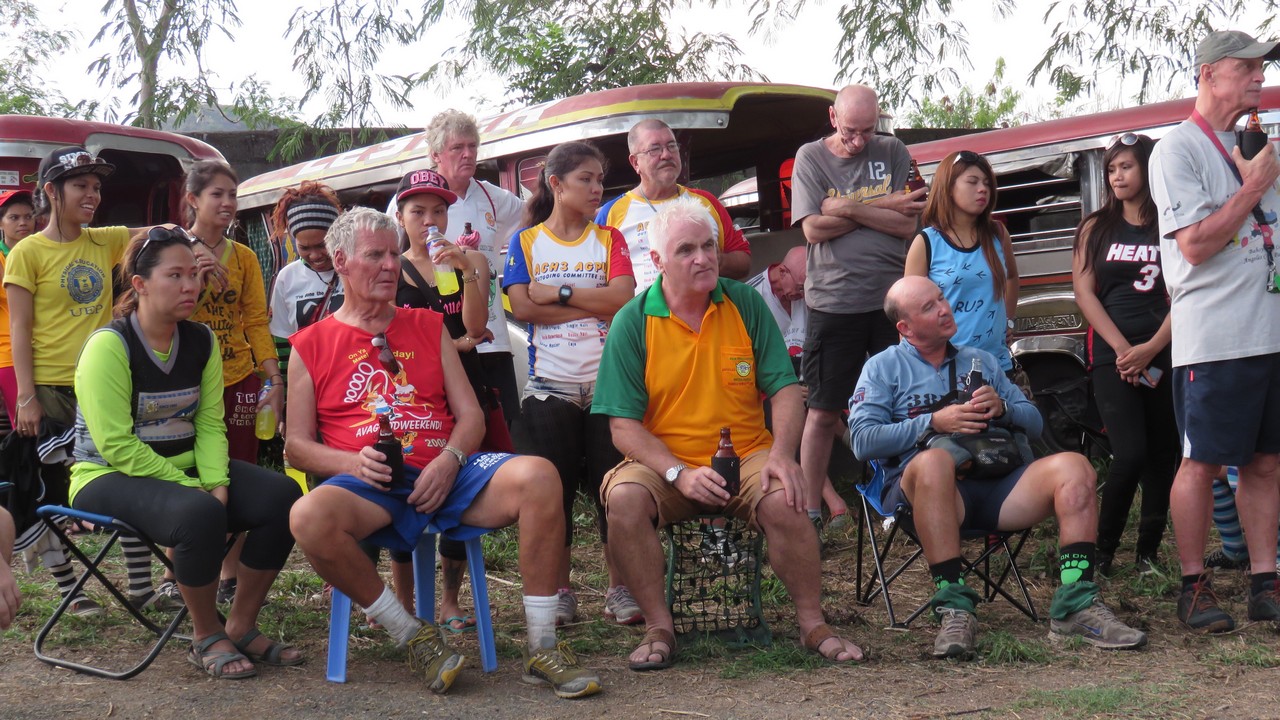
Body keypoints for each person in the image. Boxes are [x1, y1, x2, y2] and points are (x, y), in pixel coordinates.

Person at [287, 208, 601, 698]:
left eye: (393, 254)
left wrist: (451, 458)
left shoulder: (428, 325)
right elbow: (296, 446)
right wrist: (352, 463)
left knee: (540, 476)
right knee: (307, 516)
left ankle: (542, 647)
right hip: (371, 483)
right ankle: (413, 636)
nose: (390, 265)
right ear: (341, 261)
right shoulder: (309, 344)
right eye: (375, 255)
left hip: (450, 469)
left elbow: (471, 415)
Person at [593, 195, 864, 670]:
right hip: (665, 464)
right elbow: (623, 427)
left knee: (786, 495)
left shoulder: (745, 303)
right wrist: (678, 473)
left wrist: (782, 455)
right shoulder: (632, 322)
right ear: (657, 260)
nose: (703, 258)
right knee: (624, 500)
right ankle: (659, 627)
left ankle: (812, 624)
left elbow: (785, 389)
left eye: (708, 246)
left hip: (747, 455)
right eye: (686, 250)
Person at [849, 276, 1148, 659]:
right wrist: (932, 423)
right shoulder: (882, 368)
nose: (944, 309)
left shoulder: (981, 360)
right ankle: (955, 608)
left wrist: (1003, 409)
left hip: (997, 485)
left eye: (941, 298)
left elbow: (1034, 422)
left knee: (1075, 467)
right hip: (929, 495)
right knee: (935, 461)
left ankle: (1076, 605)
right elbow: (863, 441)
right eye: (929, 307)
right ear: (905, 328)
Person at [70, 228, 302, 678]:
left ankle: (241, 624)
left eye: (194, 275)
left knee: (283, 497)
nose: (190, 286)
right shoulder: (109, 346)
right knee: (199, 513)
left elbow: (209, 423)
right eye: (174, 275)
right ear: (140, 284)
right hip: (105, 475)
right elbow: (116, 445)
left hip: (186, 468)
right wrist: (193, 488)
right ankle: (206, 634)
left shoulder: (201, 340)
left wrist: (216, 482)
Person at [4, 147, 177, 615]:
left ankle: (140, 587)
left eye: (97, 187)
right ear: (50, 191)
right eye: (80, 185)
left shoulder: (107, 240)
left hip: (105, 385)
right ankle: (70, 589)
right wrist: (26, 397)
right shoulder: (27, 252)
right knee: (51, 489)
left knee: (128, 474)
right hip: (50, 390)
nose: (92, 195)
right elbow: (19, 328)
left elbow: (165, 234)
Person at [1148, 29, 1280, 632]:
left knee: (1266, 462)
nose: (1259, 76)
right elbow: (1196, 246)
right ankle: (1193, 586)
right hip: (1215, 335)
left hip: (1269, 328)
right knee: (1200, 463)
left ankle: (1264, 583)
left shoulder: (1258, 144)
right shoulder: (1176, 150)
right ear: (1207, 74)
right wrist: (1253, 185)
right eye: (1246, 66)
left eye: (1262, 67)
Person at [504, 141, 638, 627]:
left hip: (607, 385)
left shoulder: (610, 239)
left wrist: (557, 292)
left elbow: (623, 299)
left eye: (600, 179)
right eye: (586, 178)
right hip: (548, 387)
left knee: (613, 491)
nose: (597, 188)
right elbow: (523, 307)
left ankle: (620, 588)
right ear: (556, 184)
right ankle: (560, 592)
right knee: (553, 497)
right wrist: (590, 301)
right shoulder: (525, 242)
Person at [791, 85, 926, 531]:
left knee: (905, 404)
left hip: (892, 301)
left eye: (867, 131)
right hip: (834, 302)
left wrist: (845, 207)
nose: (858, 141)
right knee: (824, 409)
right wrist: (881, 204)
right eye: (850, 131)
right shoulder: (811, 157)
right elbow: (813, 229)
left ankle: (906, 501)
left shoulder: (892, 150)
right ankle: (809, 512)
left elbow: (906, 223)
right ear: (833, 118)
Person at [394, 167, 503, 633]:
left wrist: (466, 270)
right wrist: (445, 347)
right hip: (412, 390)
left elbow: (476, 328)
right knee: (407, 489)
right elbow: (389, 336)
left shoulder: (469, 259)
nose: (429, 221)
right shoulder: (390, 267)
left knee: (461, 488)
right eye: (418, 211)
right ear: (400, 217)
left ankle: (450, 600)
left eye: (438, 211)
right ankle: (402, 600)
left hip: (466, 387)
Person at [1071, 133, 1177, 576]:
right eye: (1111, 169)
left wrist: (1151, 348)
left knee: (1163, 456)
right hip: (1112, 355)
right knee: (1129, 453)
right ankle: (1103, 551)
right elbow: (1084, 292)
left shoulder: (1172, 222)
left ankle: (1147, 554)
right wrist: (1123, 350)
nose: (1117, 176)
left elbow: (1186, 292)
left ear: (1148, 168)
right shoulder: (1096, 226)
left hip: (1165, 348)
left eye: (1126, 166)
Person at [183, 160, 283, 605]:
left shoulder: (244, 257)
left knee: (237, 472)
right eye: (216, 194)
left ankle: (229, 573)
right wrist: (193, 274)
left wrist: (273, 378)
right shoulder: (172, 249)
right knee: (187, 472)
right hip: (186, 380)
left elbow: (256, 321)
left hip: (239, 377)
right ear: (193, 199)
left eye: (232, 195)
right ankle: (177, 568)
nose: (227, 203)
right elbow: (160, 313)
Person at [425, 109, 526, 427]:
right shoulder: (416, 200)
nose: (468, 154)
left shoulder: (493, 197)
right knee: (454, 430)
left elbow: (538, 223)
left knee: (503, 430)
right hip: (444, 340)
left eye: (472, 146)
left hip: (493, 337)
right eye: (457, 147)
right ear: (436, 155)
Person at [746, 247, 851, 532]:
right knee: (800, 407)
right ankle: (832, 500)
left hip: (812, 379)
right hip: (770, 389)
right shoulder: (752, 296)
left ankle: (860, 449)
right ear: (782, 272)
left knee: (820, 401)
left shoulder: (812, 292)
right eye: (802, 287)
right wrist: (790, 387)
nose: (805, 294)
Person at [596, 118, 751, 292]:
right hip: (641, 309)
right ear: (635, 162)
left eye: (672, 146)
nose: (666, 155)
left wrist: (709, 257)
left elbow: (743, 262)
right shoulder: (611, 213)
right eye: (655, 149)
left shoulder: (706, 202)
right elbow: (596, 278)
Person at [905, 149, 1018, 374]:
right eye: (972, 182)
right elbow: (906, 307)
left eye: (987, 183)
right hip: (944, 368)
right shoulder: (927, 242)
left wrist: (1009, 320)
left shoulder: (997, 233)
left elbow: (1011, 278)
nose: (982, 189)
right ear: (948, 187)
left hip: (997, 365)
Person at [267, 181, 344, 371]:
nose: (315, 255)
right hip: (308, 378)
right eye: (304, 247)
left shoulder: (355, 270)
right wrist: (287, 385)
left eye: (322, 245)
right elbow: (283, 342)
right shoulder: (286, 278)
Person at [0, 189, 36, 425]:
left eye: (28, 216)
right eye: (14, 217)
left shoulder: (42, 253)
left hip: (46, 352)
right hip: (9, 354)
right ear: (1, 222)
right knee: (25, 426)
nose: (23, 223)